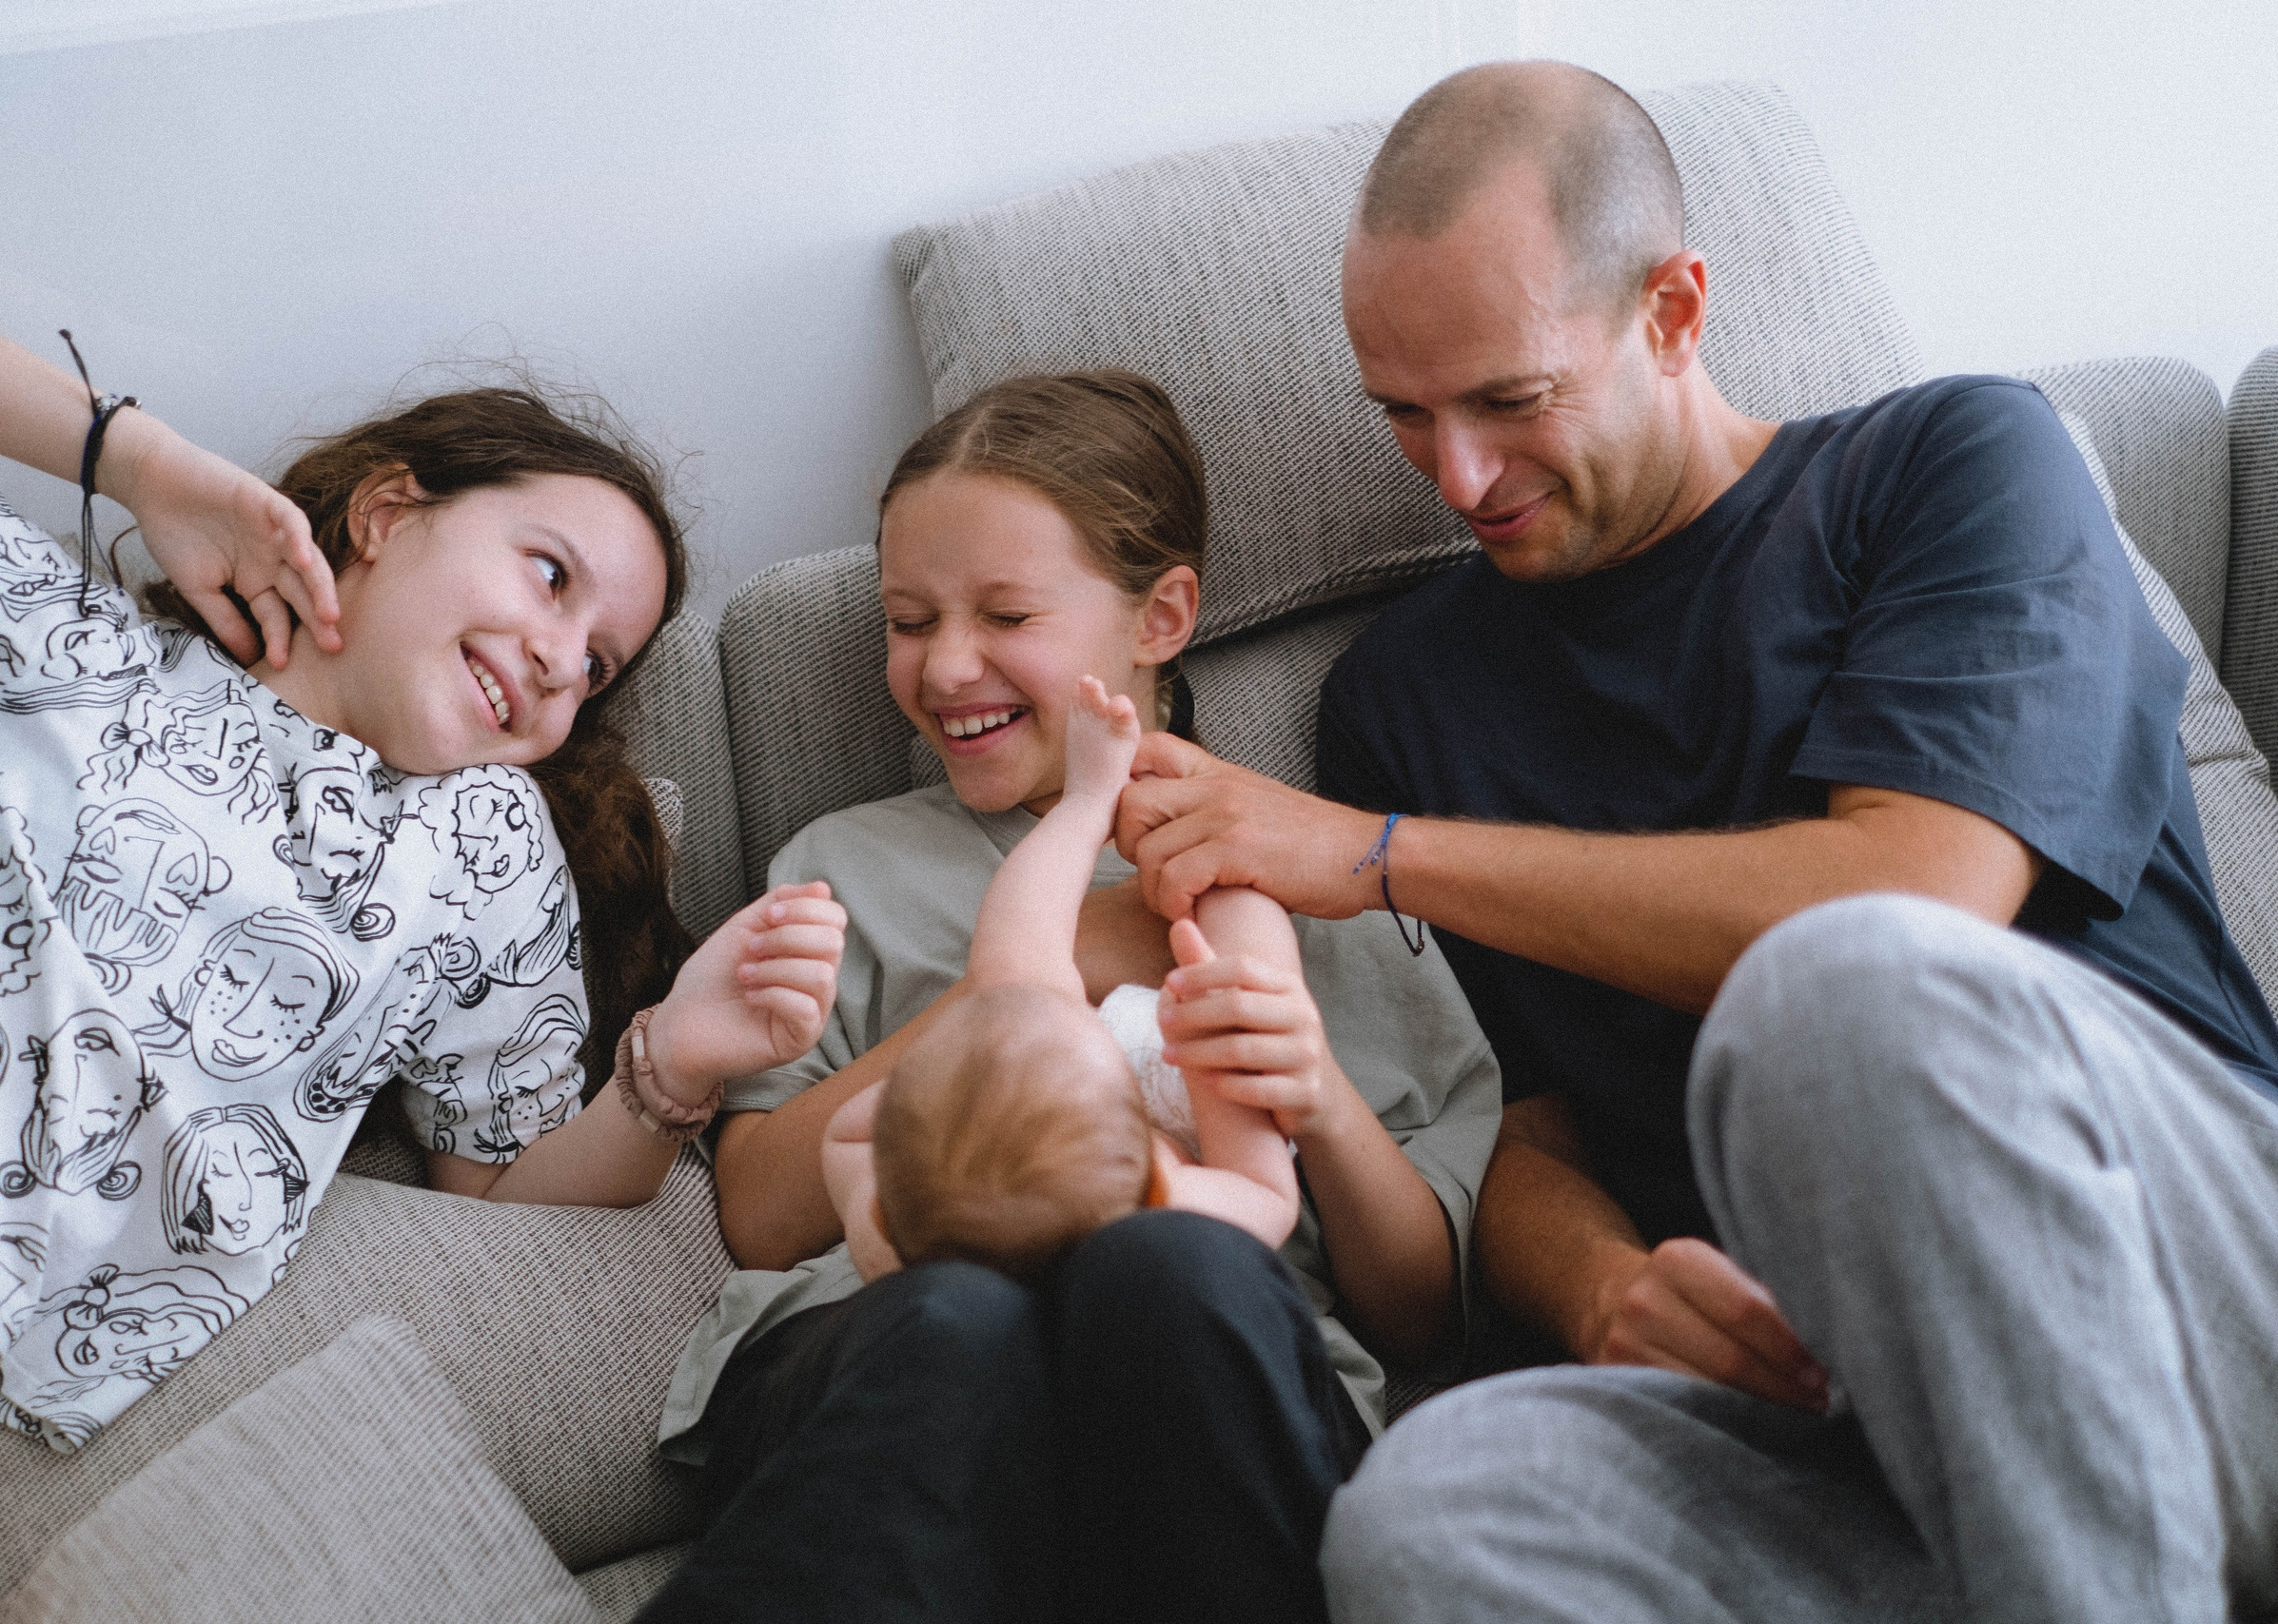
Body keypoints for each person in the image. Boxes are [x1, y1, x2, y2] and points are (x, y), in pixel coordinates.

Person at [1109, 61, 2278, 1624]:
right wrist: (1604, 1289)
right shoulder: (1405, 694)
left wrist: (1385, 853)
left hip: (2198, 1289)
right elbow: (1524, 1132)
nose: (1456, 478)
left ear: (1673, 311)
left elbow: (1914, 899)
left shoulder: (1955, 467)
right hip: (1846, 1408)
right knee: (1424, 1519)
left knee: (1838, 991)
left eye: (1508, 401)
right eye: (1403, 412)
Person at [0, 279, 848, 1623]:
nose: (560, 658)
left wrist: (671, 1067)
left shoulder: (485, 862)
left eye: (598, 664)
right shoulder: (79, 652)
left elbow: (498, 1191)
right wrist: (139, 459)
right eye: (549, 575)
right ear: (384, 514)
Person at [644, 370, 1501, 1624]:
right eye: (908, 617)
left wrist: (1312, 1090)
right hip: (891, 1339)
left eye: (1006, 613)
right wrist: (1037, 976)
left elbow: (1422, 1304)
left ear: (1161, 615)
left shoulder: (1304, 870)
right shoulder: (844, 868)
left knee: (1167, 1263)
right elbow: (766, 1212)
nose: (945, 665)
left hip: (1202, 1361)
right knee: (958, 1314)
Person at [825, 673, 1301, 1284]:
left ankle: (1086, 804)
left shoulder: (896, 1244)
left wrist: (925, 1123)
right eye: (1085, 1020)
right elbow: (1265, 1192)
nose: (1076, 1000)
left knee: (1012, 976)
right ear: (1159, 1188)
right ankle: (1216, 865)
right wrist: (1210, 1061)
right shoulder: (1171, 1205)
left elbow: (844, 1139)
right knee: (1240, 962)